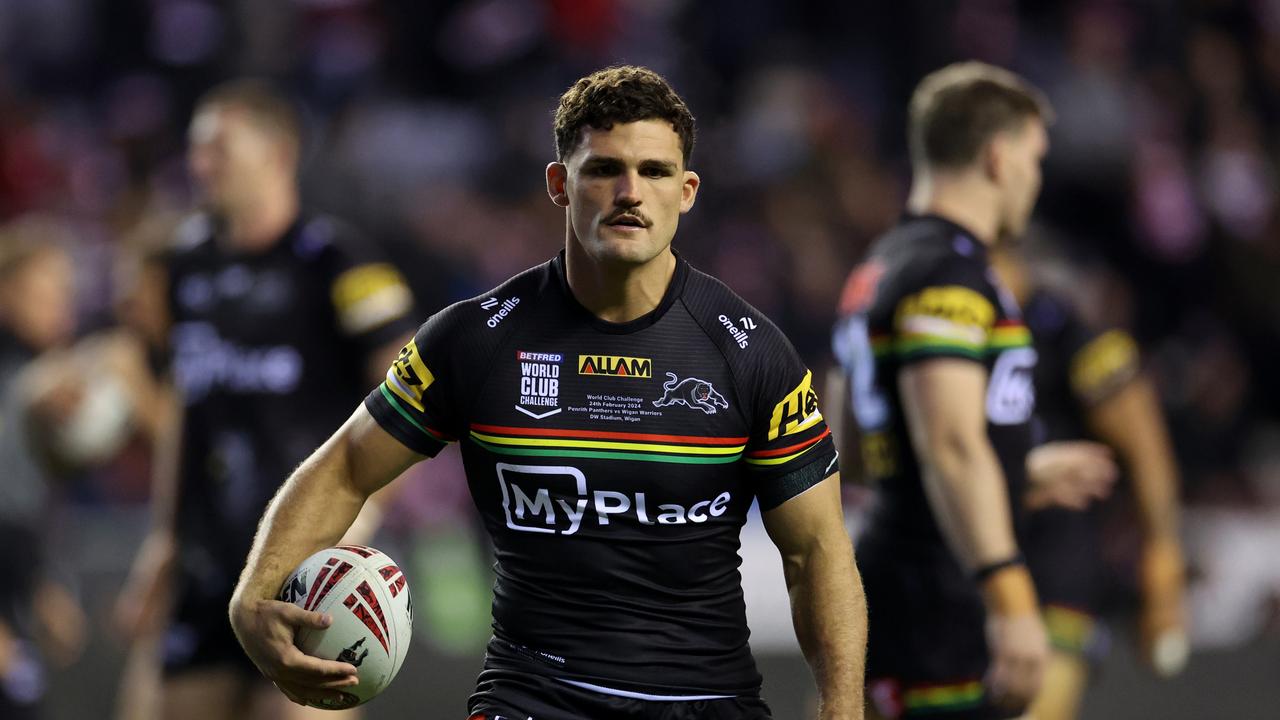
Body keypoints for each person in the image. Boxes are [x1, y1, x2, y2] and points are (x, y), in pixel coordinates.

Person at [229, 65, 867, 719]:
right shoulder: (474, 339)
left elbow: (817, 549)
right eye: (604, 170)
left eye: (654, 171)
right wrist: (255, 593)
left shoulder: (750, 352)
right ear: (560, 185)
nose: (630, 193)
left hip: (703, 702)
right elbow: (344, 468)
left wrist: (843, 709)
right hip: (533, 700)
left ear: (688, 190)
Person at [115, 79, 417, 720]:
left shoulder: (337, 263)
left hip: (302, 563)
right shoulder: (184, 265)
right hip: (205, 562)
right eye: (197, 150)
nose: (200, 165)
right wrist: (162, 541)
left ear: (277, 154)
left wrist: (365, 512)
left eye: (218, 149)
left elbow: (411, 397)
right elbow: (184, 413)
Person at [829, 62, 1115, 720]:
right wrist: (1011, 598)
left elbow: (860, 449)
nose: (1035, 180)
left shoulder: (881, 264)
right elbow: (952, 445)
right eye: (1034, 159)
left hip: (900, 580)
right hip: (937, 597)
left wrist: (1015, 470)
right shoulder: (950, 277)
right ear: (998, 156)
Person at [990, 246, 1187, 720]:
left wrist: (1163, 560)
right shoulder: (935, 333)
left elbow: (1145, 447)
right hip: (964, 562)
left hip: (1054, 563)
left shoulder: (1060, 328)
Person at [0, 218, 89, 720]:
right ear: (8, 292)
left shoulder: (46, 376)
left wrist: (45, 583)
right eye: (46, 291)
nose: (62, 305)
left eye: (66, 292)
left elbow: (30, 503)